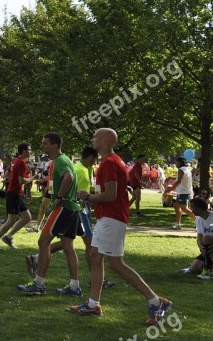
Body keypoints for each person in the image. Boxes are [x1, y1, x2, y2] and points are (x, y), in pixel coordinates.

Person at [69, 128, 172, 325]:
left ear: (106, 140)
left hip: (112, 218)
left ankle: (156, 301)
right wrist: (94, 200)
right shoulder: (112, 161)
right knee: (95, 256)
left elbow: (111, 195)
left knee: (116, 264)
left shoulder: (109, 162)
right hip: (109, 216)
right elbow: (109, 194)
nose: (92, 139)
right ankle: (93, 304)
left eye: (95, 136)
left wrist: (89, 197)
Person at [17, 133, 83, 296]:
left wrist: (59, 198)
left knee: (43, 242)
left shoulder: (60, 161)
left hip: (64, 207)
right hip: (72, 208)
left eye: (45, 143)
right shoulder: (63, 159)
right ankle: (74, 287)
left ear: (55, 145)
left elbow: (68, 178)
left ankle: (39, 284)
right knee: (68, 247)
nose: (42, 146)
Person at [0, 143, 35, 249]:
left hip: (16, 194)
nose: (30, 152)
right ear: (23, 151)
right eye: (29, 150)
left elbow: (10, 175)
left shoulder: (16, 161)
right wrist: (33, 178)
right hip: (14, 194)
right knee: (11, 220)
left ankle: (8, 236)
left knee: (27, 217)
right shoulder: (21, 162)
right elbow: (21, 180)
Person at [180, 197, 213, 278]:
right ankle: (208, 265)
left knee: (206, 238)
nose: (191, 210)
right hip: (208, 249)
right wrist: (201, 248)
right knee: (194, 269)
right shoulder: (198, 219)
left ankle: (209, 270)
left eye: (192, 207)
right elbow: (199, 237)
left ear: (198, 208)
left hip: (210, 245)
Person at [165, 157, 195, 230]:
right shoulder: (187, 169)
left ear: (180, 162)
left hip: (183, 192)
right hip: (185, 191)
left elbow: (179, 181)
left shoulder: (181, 170)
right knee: (176, 206)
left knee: (184, 208)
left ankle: (199, 221)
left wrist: (171, 188)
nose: (176, 164)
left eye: (177, 162)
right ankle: (177, 224)